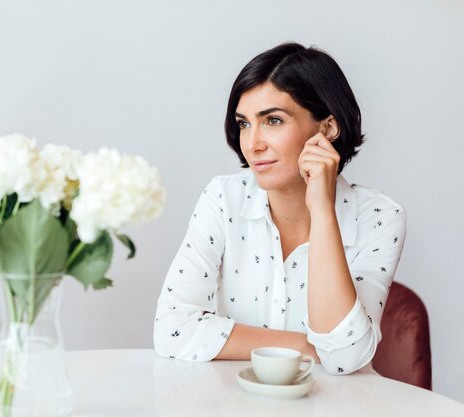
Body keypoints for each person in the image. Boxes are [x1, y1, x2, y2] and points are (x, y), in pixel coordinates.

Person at [153, 42, 407, 375]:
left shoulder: (380, 217)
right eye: (244, 123)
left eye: (273, 120)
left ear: (327, 128)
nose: (253, 144)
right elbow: (172, 330)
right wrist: (308, 346)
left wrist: (322, 211)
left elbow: (344, 357)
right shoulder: (223, 198)